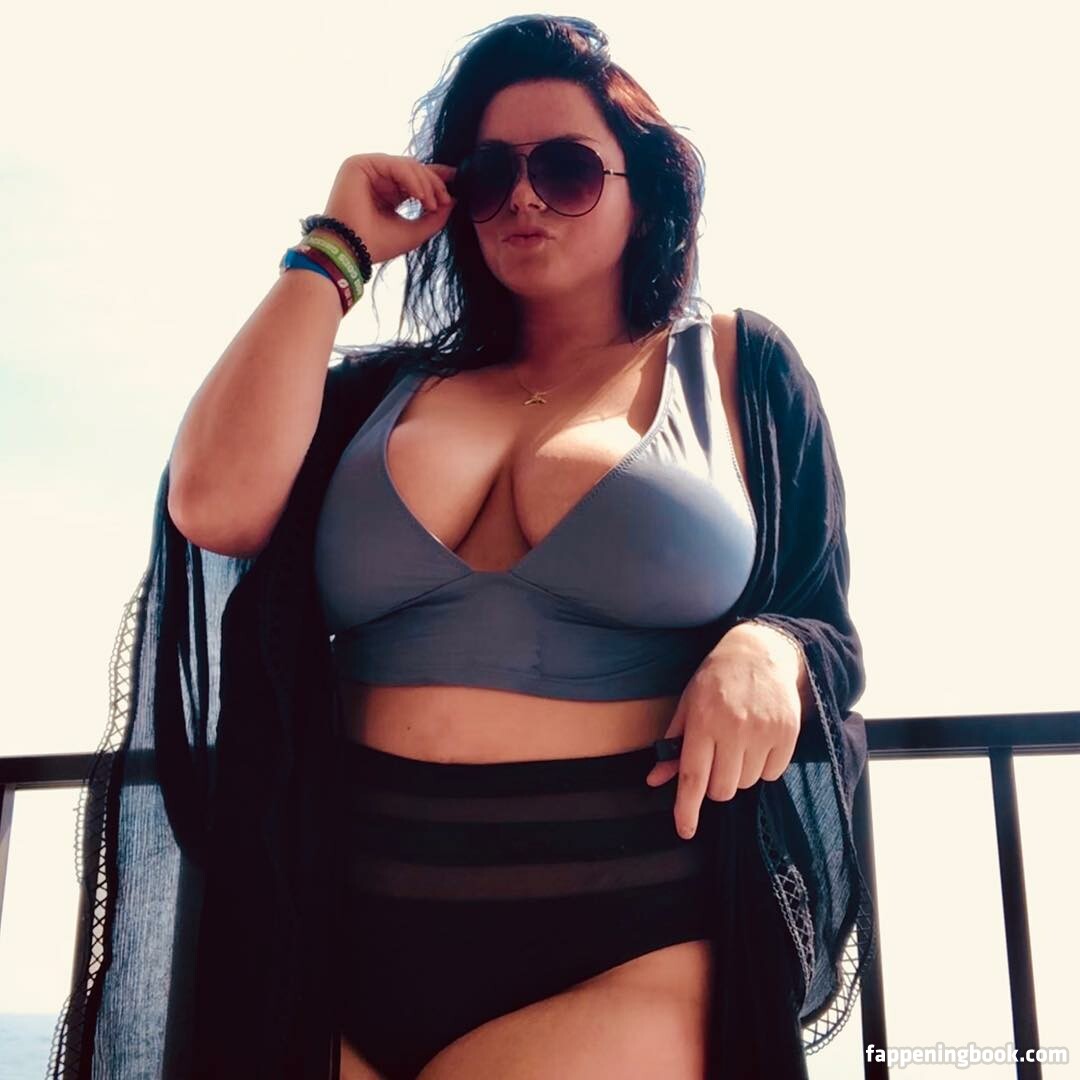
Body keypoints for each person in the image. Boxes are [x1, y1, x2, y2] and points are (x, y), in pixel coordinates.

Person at [49, 14, 874, 1080]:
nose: (524, 198)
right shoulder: (374, 395)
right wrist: (333, 249)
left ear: (646, 192)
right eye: (489, 174)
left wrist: (773, 648)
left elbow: (819, 607)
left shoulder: (735, 367)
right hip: (332, 943)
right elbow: (212, 504)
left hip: (629, 935)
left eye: (568, 169)